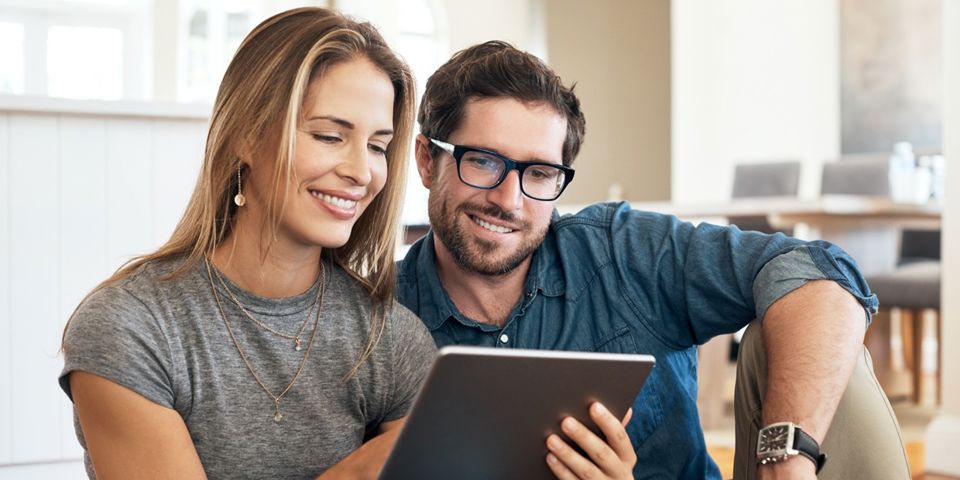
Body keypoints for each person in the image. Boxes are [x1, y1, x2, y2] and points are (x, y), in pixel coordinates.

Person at [397, 41, 898, 479]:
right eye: (483, 161)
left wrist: (786, 459)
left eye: (540, 173)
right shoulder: (379, 322)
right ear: (426, 160)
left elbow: (818, 275)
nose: (509, 200)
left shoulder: (622, 251)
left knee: (814, 341)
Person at [59, 8, 437, 479]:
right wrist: (360, 471)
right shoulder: (131, 328)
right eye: (329, 136)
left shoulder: (390, 338)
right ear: (247, 135)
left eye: (377, 146)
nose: (362, 172)